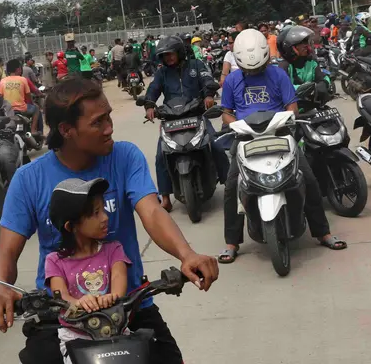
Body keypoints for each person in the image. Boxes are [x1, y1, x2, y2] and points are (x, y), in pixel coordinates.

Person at [0, 78, 219, 364]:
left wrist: (187, 254)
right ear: (67, 130)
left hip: (130, 306)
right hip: (61, 315)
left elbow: (153, 212)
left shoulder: (125, 157)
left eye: (109, 116)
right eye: (98, 122)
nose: (110, 128)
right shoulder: (28, 179)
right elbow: (7, 251)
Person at [216, 29, 347, 263]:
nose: (253, 72)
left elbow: (291, 106)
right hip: (246, 137)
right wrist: (234, 124)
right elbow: (226, 113)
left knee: (308, 179)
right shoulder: (233, 80)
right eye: (248, 69)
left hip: (280, 132)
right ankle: (231, 242)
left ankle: (323, 232)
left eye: (256, 68)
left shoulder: (278, 75)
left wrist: (288, 118)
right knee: (232, 186)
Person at [44, 178, 131, 364]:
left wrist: (112, 297)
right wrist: (79, 302)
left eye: (103, 209)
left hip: (116, 330)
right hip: (76, 338)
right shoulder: (54, 261)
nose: (105, 217)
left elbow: (119, 283)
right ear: (71, 226)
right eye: (95, 213)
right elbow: (61, 298)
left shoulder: (114, 250)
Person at [144, 35, 229, 212]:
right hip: (172, 120)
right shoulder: (162, 73)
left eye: (171, 53)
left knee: (217, 146)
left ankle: (230, 185)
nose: (168, 58)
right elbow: (153, 89)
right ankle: (165, 197)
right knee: (161, 155)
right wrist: (149, 104)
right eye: (164, 55)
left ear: (180, 52)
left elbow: (207, 80)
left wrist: (208, 95)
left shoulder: (196, 66)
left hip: (197, 115)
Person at [276, 26, 332, 103]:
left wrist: (323, 83)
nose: (306, 45)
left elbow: (322, 76)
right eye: (302, 43)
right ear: (289, 47)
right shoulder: (284, 66)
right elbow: (285, 88)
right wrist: (310, 88)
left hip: (311, 105)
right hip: (292, 107)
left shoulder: (311, 62)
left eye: (306, 42)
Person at [0, 59, 42, 140]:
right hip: (21, 108)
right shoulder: (22, 79)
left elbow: (0, 97)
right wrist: (32, 103)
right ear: (18, 69)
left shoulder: (2, 81)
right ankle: (33, 130)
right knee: (36, 108)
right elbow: (28, 95)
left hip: (7, 110)